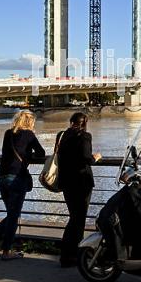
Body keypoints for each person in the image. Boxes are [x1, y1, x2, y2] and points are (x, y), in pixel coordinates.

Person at [0, 110, 45, 260]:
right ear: (30, 122)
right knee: (13, 216)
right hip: (16, 179)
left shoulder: (7, 133)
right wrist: (29, 157)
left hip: (2, 178)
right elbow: (41, 153)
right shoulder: (29, 135)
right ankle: (2, 249)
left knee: (11, 215)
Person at [56, 112, 101, 267]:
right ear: (85, 123)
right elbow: (86, 158)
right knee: (79, 219)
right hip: (82, 182)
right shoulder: (85, 136)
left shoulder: (62, 135)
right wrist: (96, 157)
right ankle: (73, 255)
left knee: (73, 217)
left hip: (66, 182)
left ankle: (67, 255)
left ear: (71, 122)